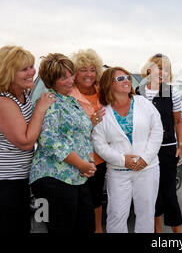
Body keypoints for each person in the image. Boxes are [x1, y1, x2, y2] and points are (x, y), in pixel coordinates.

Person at [0, 45, 54, 233]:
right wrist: (41, 108)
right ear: (7, 73)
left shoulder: (21, 94)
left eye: (32, 66)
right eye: (24, 69)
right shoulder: (2, 101)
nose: (32, 72)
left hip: (16, 182)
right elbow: (25, 141)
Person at [29, 53, 96, 233]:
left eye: (70, 74)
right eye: (62, 77)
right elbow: (49, 140)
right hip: (53, 178)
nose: (70, 80)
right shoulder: (48, 101)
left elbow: (84, 134)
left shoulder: (71, 100)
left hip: (77, 178)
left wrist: (89, 161)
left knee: (87, 227)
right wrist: (81, 164)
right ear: (51, 80)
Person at [92, 67, 163, 233]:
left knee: (146, 214)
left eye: (127, 77)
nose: (126, 80)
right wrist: (123, 160)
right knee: (116, 214)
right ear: (108, 84)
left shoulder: (143, 103)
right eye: (120, 79)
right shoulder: (103, 112)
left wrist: (145, 158)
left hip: (148, 169)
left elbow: (157, 130)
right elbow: (99, 143)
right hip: (118, 171)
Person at [137, 53, 182, 233]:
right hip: (145, 150)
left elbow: (178, 122)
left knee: (170, 194)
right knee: (152, 195)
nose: (163, 72)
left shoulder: (171, 92)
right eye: (159, 68)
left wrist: (180, 146)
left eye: (166, 69)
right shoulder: (138, 92)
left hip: (166, 149)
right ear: (149, 69)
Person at [70, 48, 106, 233]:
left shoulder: (103, 92)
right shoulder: (68, 95)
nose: (89, 74)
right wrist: (89, 123)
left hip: (101, 156)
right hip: (78, 158)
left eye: (92, 69)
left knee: (96, 196)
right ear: (74, 73)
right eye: (83, 69)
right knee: (79, 201)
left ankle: (98, 229)